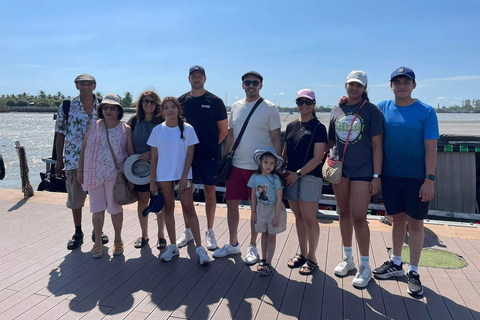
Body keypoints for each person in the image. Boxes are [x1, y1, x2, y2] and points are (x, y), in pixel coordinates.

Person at [372, 67, 439, 296]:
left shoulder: (426, 111)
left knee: (416, 223)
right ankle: (397, 263)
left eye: (406, 82)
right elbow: (362, 111)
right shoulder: (382, 108)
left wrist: (429, 179)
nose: (401, 85)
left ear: (414, 85)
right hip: (391, 176)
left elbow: (431, 149)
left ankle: (414, 271)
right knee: (397, 220)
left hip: (417, 178)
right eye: (397, 82)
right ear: (391, 86)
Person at [213, 71, 281, 265]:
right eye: (247, 82)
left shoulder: (270, 108)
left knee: (256, 208)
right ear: (242, 85)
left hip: (258, 168)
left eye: (255, 82)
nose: (251, 85)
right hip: (236, 165)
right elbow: (231, 135)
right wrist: (225, 158)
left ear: (261, 85)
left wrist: (276, 166)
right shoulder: (235, 106)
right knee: (231, 204)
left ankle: (252, 246)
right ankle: (233, 243)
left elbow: (276, 138)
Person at [327, 71, 384, 288]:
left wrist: (377, 176)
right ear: (345, 85)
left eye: (359, 85)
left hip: (363, 170)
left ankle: (365, 265)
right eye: (351, 84)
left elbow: (378, 146)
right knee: (343, 212)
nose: (354, 88)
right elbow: (331, 140)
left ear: (365, 88)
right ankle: (348, 258)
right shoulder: (336, 110)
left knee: (359, 217)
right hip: (340, 170)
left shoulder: (372, 111)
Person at [148, 97, 211, 265]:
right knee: (168, 208)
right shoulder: (157, 131)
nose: (170, 110)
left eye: (173, 107)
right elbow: (154, 157)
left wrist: (184, 177)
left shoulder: (188, 129)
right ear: (162, 111)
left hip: (184, 175)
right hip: (163, 176)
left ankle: (199, 248)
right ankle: (173, 246)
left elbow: (190, 155)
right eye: (166, 107)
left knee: (188, 208)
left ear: (178, 109)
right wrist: (152, 180)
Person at [176, 66, 228, 250]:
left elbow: (223, 131)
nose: (197, 79)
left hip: (208, 156)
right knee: (185, 194)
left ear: (205, 78)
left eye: (200, 76)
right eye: (193, 76)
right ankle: (188, 230)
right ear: (189, 78)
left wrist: (210, 146)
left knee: (210, 192)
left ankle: (210, 231)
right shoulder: (181, 101)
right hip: (185, 157)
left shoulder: (215, 101)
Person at [78, 93, 134, 258]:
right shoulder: (93, 125)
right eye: (106, 107)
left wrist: (131, 177)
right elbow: (84, 149)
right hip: (93, 173)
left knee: (115, 209)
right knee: (96, 210)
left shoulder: (126, 129)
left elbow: (130, 154)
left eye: (113, 107)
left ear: (119, 111)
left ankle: (118, 240)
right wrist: (80, 170)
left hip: (115, 176)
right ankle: (97, 242)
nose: (109, 110)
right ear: (101, 110)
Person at [55, 73, 106, 250]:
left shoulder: (103, 106)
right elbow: (60, 132)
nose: (85, 87)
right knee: (76, 199)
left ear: (95, 85)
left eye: (89, 84)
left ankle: (97, 230)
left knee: (98, 198)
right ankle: (78, 232)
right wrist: (58, 159)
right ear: (77, 86)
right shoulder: (67, 106)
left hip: (98, 160)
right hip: (73, 159)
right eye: (81, 84)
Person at [283, 89, 328, 275]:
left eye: (308, 102)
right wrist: (282, 170)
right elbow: (285, 152)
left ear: (314, 104)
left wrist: (298, 174)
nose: (304, 105)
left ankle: (312, 257)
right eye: (300, 102)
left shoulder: (318, 127)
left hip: (308, 177)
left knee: (310, 218)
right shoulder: (291, 125)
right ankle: (302, 253)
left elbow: (318, 158)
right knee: (299, 217)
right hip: (291, 176)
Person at [127, 91, 166, 250]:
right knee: (143, 201)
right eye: (145, 101)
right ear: (141, 103)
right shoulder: (134, 121)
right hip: (140, 170)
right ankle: (144, 235)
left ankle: (161, 235)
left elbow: (168, 144)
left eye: (152, 101)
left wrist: (152, 153)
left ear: (157, 104)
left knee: (159, 203)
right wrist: (131, 165)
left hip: (160, 167)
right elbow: (128, 142)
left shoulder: (162, 122)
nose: (148, 104)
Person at [248, 147, 287, 276]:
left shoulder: (276, 179)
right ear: (260, 162)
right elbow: (253, 195)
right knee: (263, 234)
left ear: (275, 164)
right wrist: (253, 212)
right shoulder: (255, 177)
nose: (268, 165)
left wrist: (276, 216)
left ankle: (269, 262)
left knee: (271, 236)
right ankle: (264, 258)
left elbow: (279, 198)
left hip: (272, 209)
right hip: (260, 209)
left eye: (272, 163)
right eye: (266, 162)